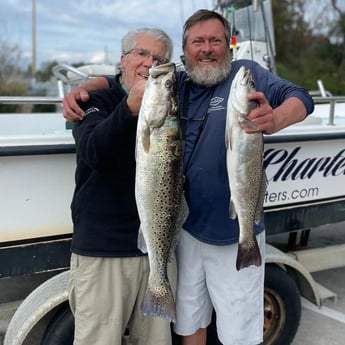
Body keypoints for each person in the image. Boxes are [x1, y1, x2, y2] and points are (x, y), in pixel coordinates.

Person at [63, 10, 314, 345]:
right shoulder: (177, 83)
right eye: (198, 41)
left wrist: (277, 118)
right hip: (184, 232)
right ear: (186, 50)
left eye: (215, 41)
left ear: (229, 46)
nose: (207, 49)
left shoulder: (246, 74)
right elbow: (134, 81)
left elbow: (302, 98)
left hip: (232, 233)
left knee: (239, 331)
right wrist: (86, 87)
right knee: (188, 323)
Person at [67, 27, 176, 345]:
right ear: (123, 60)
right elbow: (93, 152)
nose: (149, 63)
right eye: (142, 53)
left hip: (158, 249)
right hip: (104, 252)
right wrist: (127, 109)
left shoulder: (169, 102)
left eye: (159, 58)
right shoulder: (94, 100)